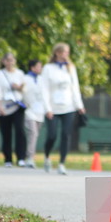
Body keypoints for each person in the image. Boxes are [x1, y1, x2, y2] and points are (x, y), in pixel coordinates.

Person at [41, 43, 86, 176]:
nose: (66, 54)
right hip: (53, 108)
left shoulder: (71, 68)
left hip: (68, 106)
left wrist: (79, 106)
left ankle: (62, 163)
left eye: (67, 52)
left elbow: (75, 87)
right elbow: (44, 89)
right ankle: (47, 156)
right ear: (57, 53)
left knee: (66, 134)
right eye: (64, 52)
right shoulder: (48, 68)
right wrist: (47, 108)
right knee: (52, 135)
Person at [0, 52, 27, 168]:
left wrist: (18, 87)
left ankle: (21, 157)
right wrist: (0, 106)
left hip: (17, 106)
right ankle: (8, 158)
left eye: (11, 60)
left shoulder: (20, 73)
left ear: (14, 61)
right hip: (4, 106)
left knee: (20, 131)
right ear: (3, 61)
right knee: (6, 133)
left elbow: (25, 89)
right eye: (7, 60)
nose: (9, 62)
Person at [22, 59, 46, 167]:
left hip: (40, 111)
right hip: (29, 111)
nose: (41, 68)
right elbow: (22, 92)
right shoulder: (25, 78)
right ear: (32, 68)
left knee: (35, 135)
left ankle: (28, 156)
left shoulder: (42, 79)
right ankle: (30, 157)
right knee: (33, 133)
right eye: (38, 66)